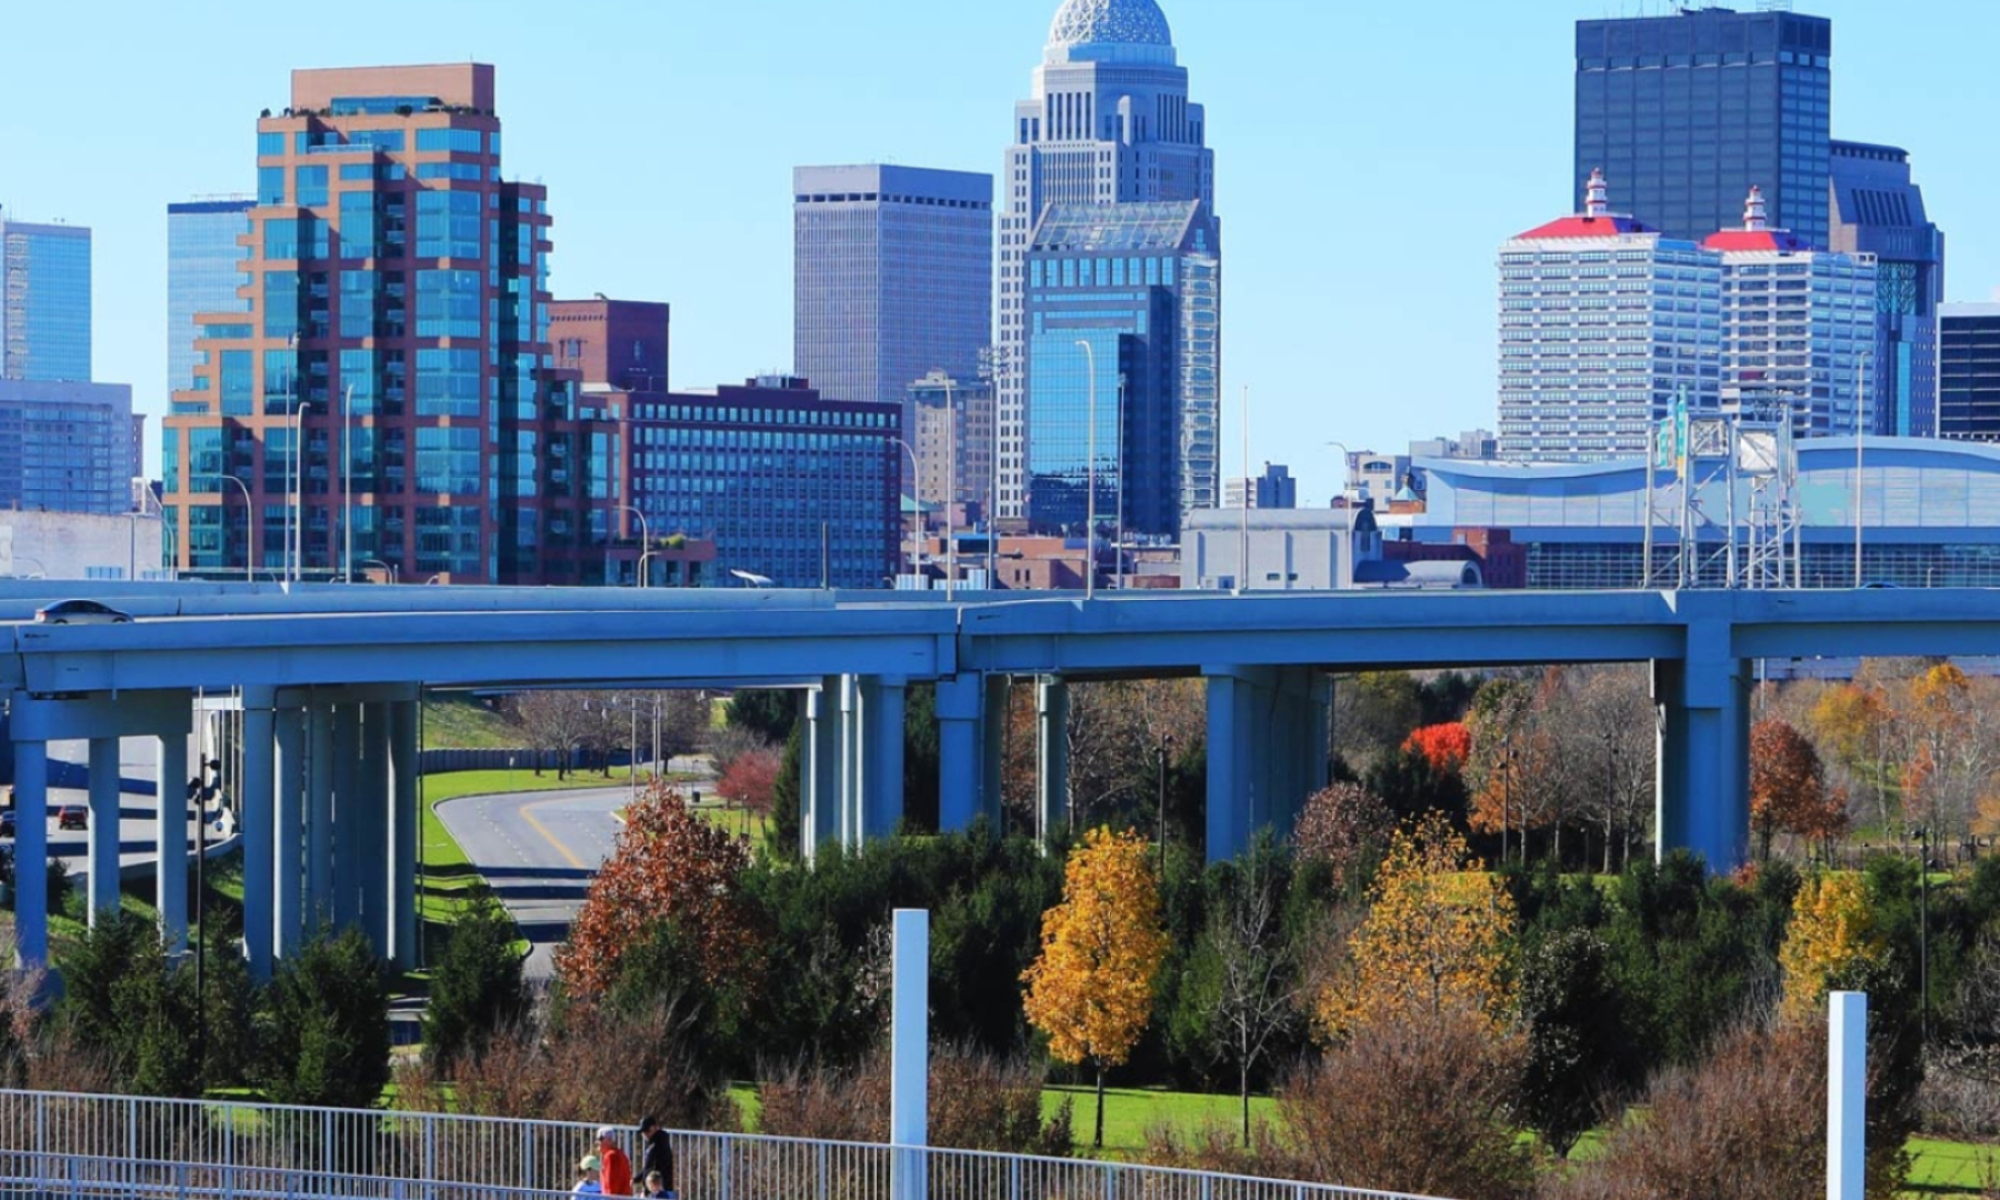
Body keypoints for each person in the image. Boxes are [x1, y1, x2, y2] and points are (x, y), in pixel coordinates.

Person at [638, 1116, 675, 1197]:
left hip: (658, 1189)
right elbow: (647, 1168)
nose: (645, 1134)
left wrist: (647, 1189)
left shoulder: (657, 1145)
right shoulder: (655, 1144)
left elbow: (650, 1167)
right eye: (643, 1132)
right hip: (659, 1188)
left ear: (655, 1128)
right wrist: (638, 1178)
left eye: (647, 1131)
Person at [597, 1126, 634, 1198]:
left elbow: (611, 1184)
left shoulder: (611, 1156)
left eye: (600, 1139)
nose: (598, 1142)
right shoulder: (622, 1155)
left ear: (609, 1140)